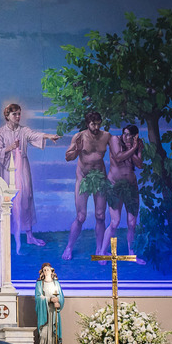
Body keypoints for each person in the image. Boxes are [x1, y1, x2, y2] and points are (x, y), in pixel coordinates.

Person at [0, 103, 59, 253]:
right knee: (7, 200)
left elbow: (35, 135)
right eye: (14, 114)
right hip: (8, 168)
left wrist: (50, 136)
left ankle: (29, 235)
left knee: (26, 198)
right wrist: (9, 147)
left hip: (22, 168)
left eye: (19, 113)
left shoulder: (23, 130)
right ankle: (4, 236)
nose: (17, 116)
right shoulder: (0, 132)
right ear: (7, 116)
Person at [61, 111, 110, 260]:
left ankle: (100, 249)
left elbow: (116, 152)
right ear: (87, 124)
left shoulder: (106, 136)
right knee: (81, 216)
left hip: (100, 177)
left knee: (100, 216)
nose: (96, 126)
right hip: (83, 178)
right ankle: (69, 248)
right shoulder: (79, 136)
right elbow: (68, 157)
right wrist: (77, 149)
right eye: (93, 124)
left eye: (98, 123)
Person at [103, 124, 145, 263]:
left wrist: (134, 147)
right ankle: (103, 252)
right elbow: (118, 156)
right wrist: (132, 147)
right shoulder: (115, 139)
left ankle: (131, 253)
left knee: (132, 223)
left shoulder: (137, 144)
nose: (127, 137)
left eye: (131, 136)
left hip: (131, 186)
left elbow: (139, 164)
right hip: (115, 186)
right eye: (125, 134)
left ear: (135, 137)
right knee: (114, 222)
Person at [33, 263, 64, 344]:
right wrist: (49, 299)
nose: (46, 272)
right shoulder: (39, 284)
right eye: (44, 270)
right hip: (44, 313)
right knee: (44, 335)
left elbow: (61, 296)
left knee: (53, 335)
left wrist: (58, 302)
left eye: (48, 270)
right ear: (42, 272)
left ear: (52, 271)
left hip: (53, 313)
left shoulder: (56, 284)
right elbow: (38, 298)